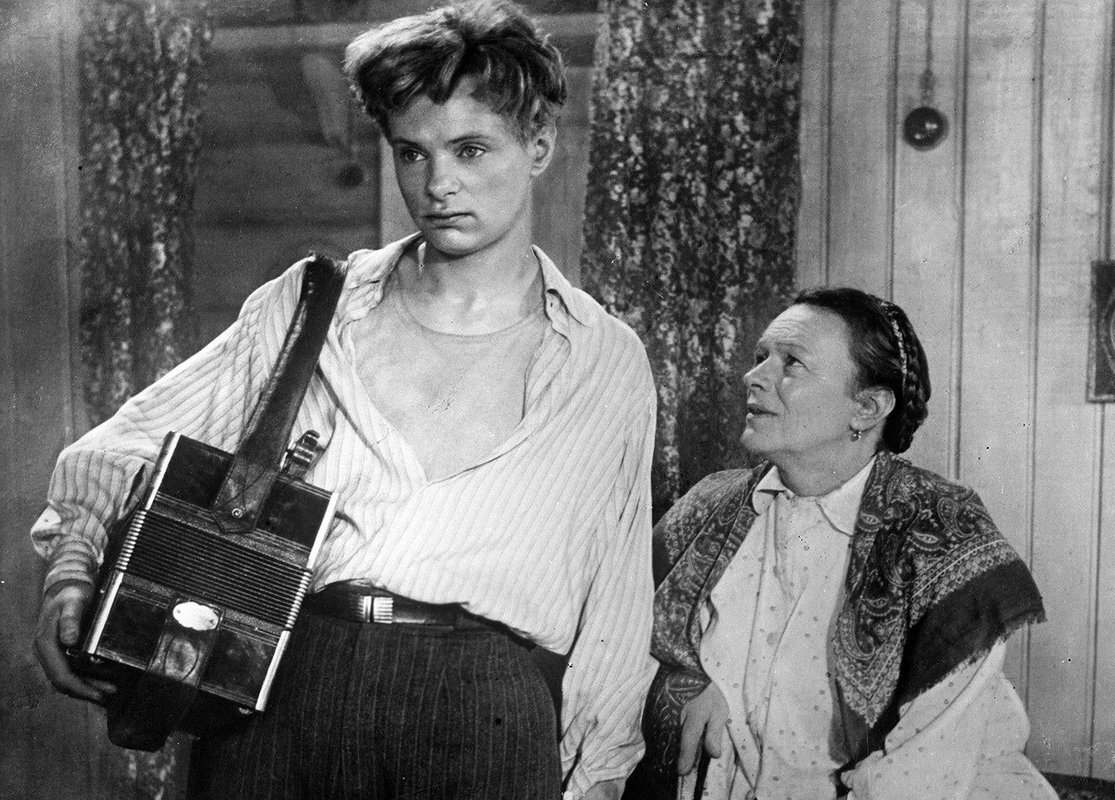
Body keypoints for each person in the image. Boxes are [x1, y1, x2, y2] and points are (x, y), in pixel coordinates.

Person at [31, 3, 656, 798]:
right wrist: (72, 570)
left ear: (538, 145)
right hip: (286, 680)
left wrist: (595, 777)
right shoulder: (313, 303)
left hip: (485, 709)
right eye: (412, 153)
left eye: (471, 149)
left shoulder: (604, 359)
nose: (439, 184)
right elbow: (121, 448)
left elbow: (617, 605)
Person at [625, 288, 1055, 800]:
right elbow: (618, 640)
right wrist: (687, 685)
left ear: (867, 407)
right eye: (761, 356)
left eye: (791, 363)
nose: (753, 376)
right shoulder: (708, 506)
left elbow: (920, 775)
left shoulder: (942, 530)